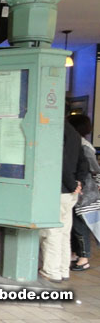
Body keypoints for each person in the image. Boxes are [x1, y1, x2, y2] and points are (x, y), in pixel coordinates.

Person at [38, 119, 88, 282]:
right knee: (64, 232)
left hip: (58, 190)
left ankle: (51, 271)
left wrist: (71, 184)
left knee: (52, 232)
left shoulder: (55, 130)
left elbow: (61, 162)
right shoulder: (73, 132)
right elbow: (84, 161)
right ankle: (63, 269)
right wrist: (79, 183)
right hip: (70, 193)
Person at [67, 114, 98, 271]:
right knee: (74, 225)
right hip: (80, 191)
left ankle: (84, 259)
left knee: (80, 226)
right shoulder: (78, 143)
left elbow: (94, 170)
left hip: (86, 195)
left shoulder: (84, 146)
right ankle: (76, 254)